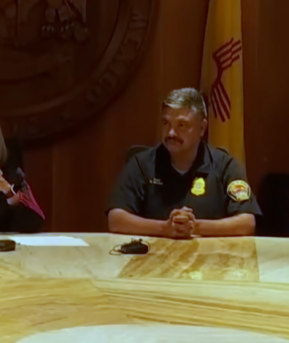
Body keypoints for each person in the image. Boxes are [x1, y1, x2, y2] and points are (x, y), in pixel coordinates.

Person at [107, 88, 260, 238]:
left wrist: (194, 226)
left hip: (208, 258)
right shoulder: (141, 164)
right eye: (166, 123)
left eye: (181, 125)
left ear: (202, 128)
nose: (171, 133)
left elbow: (246, 223)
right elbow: (116, 219)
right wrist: (165, 228)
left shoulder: (225, 166)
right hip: (154, 257)